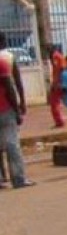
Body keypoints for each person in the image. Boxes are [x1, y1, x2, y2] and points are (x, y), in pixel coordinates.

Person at [0, 32, 29, 188]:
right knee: (12, 144)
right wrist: (19, 106)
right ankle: (18, 178)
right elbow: (13, 84)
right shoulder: (7, 58)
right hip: (5, 108)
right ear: (4, 42)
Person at [48, 44, 66, 128]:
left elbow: (60, 69)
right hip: (60, 82)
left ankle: (59, 121)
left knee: (54, 103)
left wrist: (56, 83)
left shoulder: (55, 56)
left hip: (58, 83)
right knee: (65, 101)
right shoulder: (59, 56)